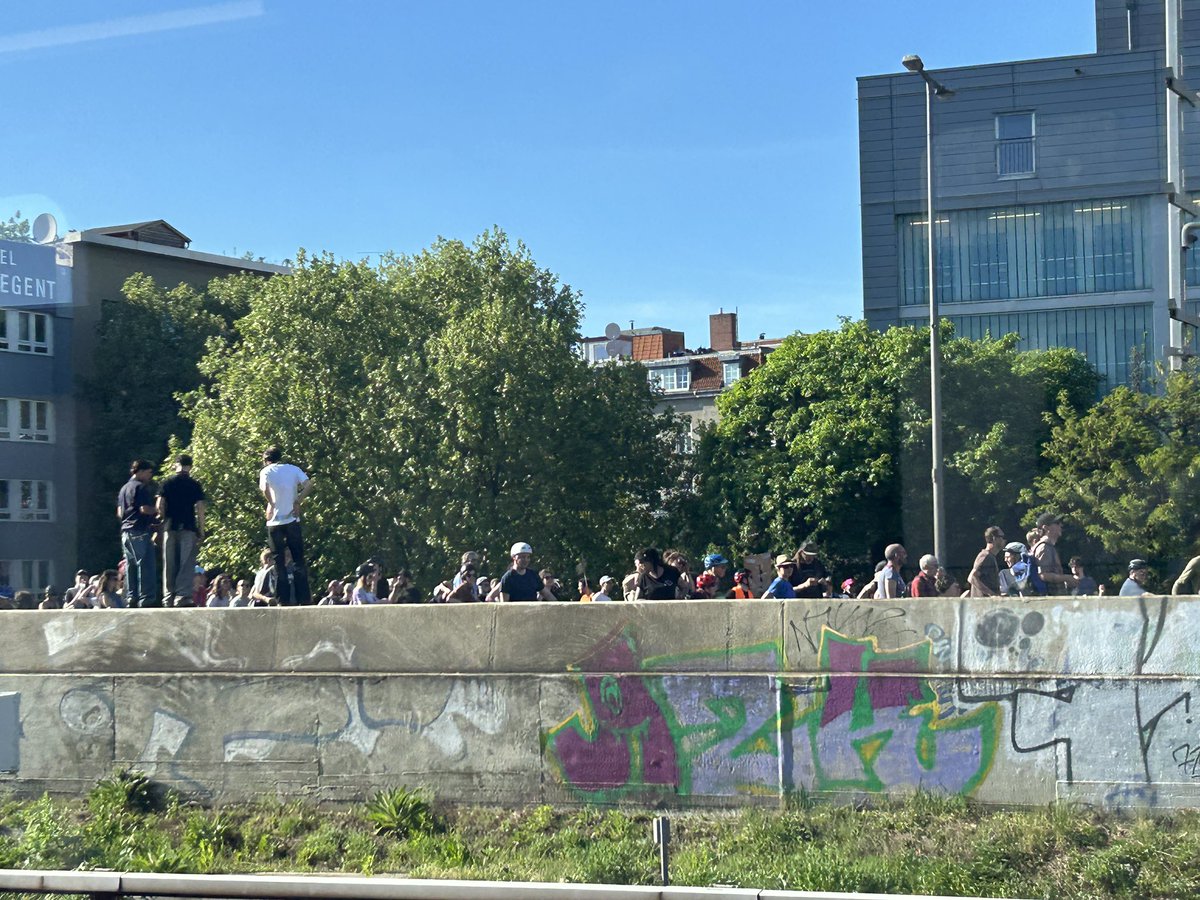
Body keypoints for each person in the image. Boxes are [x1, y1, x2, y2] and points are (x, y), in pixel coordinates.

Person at [258, 447, 314, 606]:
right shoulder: (293, 469)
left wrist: (271, 503)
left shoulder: (266, 471)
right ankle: (303, 597)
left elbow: (264, 489)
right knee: (298, 559)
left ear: (266, 460)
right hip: (291, 519)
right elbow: (309, 484)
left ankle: (282, 599)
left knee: (279, 560)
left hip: (275, 521)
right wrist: (298, 501)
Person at [157, 453, 207, 608]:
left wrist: (163, 520)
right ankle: (182, 596)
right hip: (188, 527)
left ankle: (168, 597)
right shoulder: (194, 485)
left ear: (176, 465)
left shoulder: (167, 483)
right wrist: (202, 529)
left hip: (170, 527)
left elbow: (160, 504)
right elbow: (200, 508)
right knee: (186, 563)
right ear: (190, 467)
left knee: (169, 563)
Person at [117, 459, 159, 608]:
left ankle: (131, 597)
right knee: (146, 564)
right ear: (140, 471)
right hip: (140, 530)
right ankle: (146, 599)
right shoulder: (140, 487)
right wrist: (158, 510)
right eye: (149, 473)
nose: (150, 476)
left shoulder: (124, 489)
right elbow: (144, 509)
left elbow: (120, 512)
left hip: (126, 532)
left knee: (130, 566)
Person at [1031, 513, 1077, 595]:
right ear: (1046, 527)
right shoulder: (1044, 547)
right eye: (1057, 523)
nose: (1061, 525)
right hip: (1049, 600)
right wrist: (1066, 578)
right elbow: (1043, 575)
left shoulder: (1049, 547)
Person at [968, 527, 1006, 597]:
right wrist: (992, 595)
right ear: (994, 538)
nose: (1004, 540)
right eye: (1002, 537)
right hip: (983, 605)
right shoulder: (986, 556)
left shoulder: (990, 557)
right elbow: (972, 577)